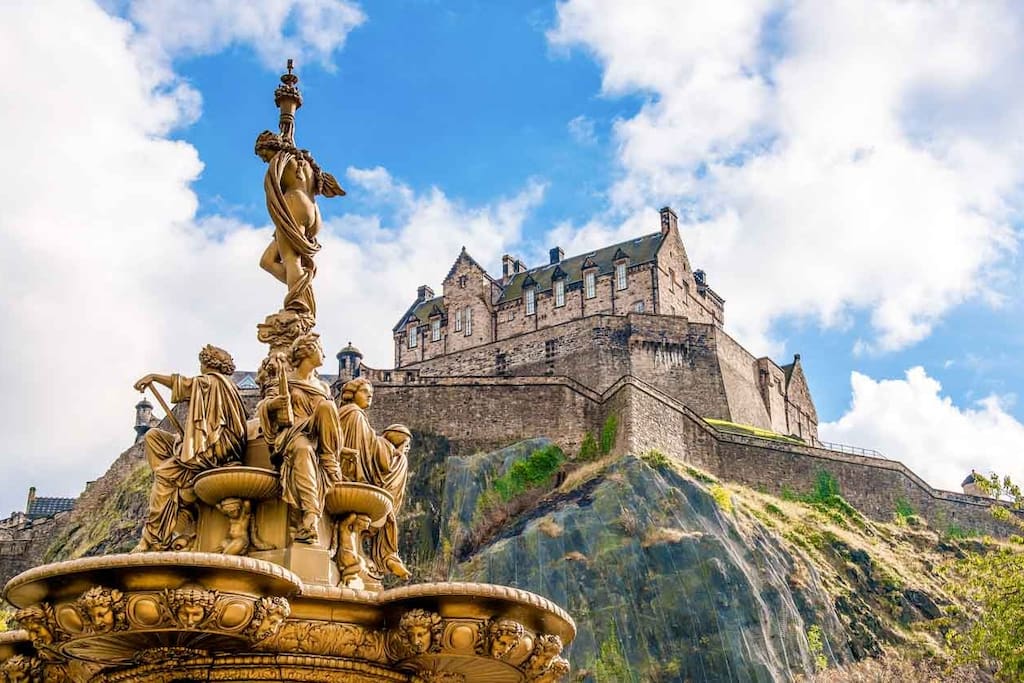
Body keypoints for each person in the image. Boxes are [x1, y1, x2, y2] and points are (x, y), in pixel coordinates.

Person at [132, 345, 247, 552]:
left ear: (207, 363)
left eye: (202, 361)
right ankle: (179, 480)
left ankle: (155, 538)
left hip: (213, 451)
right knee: (153, 436)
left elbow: (184, 384)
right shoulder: (225, 385)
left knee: (164, 477)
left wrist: (153, 377)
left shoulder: (212, 382)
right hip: (208, 445)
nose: (200, 365)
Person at [258, 333, 344, 544]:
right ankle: (310, 516)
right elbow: (262, 407)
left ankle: (328, 458)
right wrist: (274, 404)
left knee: (327, 406)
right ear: (307, 351)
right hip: (294, 433)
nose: (324, 353)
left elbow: (330, 418)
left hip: (319, 434)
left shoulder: (323, 387)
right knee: (303, 450)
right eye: (320, 348)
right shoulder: (285, 380)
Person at [255, 131, 344, 317]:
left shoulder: (281, 158)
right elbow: (287, 132)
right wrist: (287, 114)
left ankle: (298, 305)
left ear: (271, 146)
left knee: (291, 259)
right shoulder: (300, 159)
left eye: (264, 155)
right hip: (312, 210)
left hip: (294, 203)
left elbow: (274, 184)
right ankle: (303, 287)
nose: (265, 161)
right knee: (267, 261)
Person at [336, 378, 411, 579]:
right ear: (352, 394)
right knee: (400, 462)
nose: (370, 396)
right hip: (351, 473)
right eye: (365, 392)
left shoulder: (351, 415)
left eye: (371, 393)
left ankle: (388, 557)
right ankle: (388, 556)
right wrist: (393, 449)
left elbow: (369, 442)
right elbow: (366, 448)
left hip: (349, 471)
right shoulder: (354, 415)